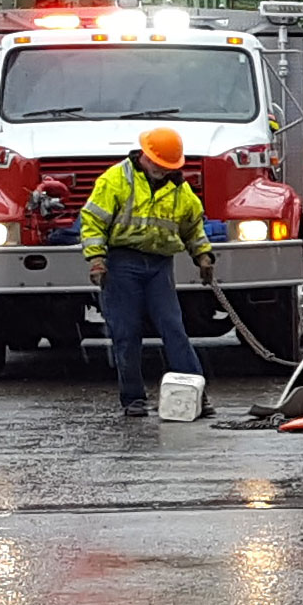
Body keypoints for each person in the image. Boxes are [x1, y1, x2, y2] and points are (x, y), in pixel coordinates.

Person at [82, 126, 219, 419]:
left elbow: (192, 226)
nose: (162, 170)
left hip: (159, 265)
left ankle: (195, 394)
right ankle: (133, 398)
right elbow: (93, 220)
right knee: (126, 333)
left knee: (173, 329)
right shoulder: (115, 180)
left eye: (168, 166)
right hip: (122, 263)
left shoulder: (179, 189)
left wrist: (203, 256)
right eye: (159, 163)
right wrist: (97, 259)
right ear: (145, 156)